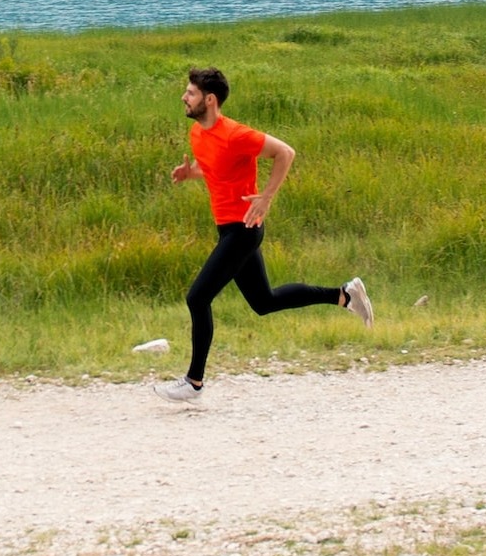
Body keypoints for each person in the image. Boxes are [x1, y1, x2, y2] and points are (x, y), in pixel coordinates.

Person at [152, 66, 372, 402]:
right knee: (264, 302)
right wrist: (190, 173)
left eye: (191, 93)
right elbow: (212, 167)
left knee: (197, 298)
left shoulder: (236, 134)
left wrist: (267, 196)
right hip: (228, 229)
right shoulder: (198, 134)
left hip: (243, 230)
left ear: (209, 100)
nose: (184, 96)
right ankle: (344, 295)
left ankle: (194, 382)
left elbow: (286, 152)